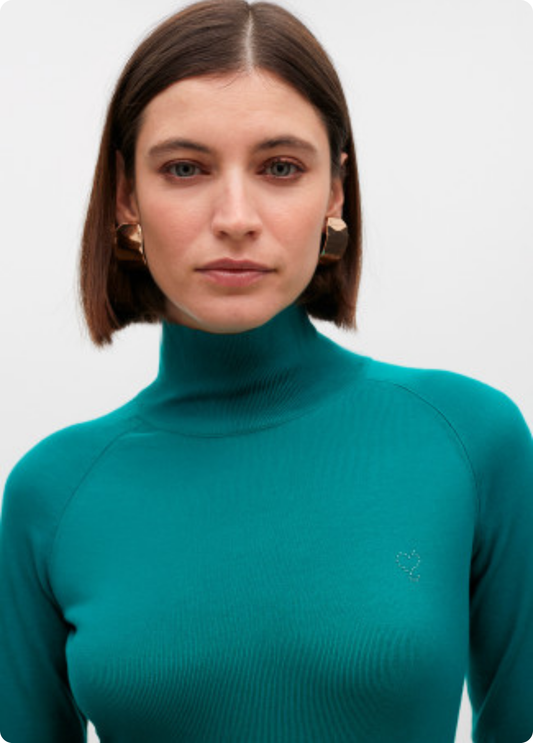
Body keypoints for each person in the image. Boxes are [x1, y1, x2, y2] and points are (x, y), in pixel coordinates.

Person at [0, 0, 531, 741]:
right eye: (185, 168)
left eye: (280, 167)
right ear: (126, 195)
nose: (235, 216)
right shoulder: (51, 494)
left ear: (335, 190)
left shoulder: (469, 440)